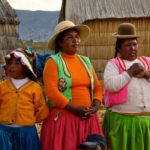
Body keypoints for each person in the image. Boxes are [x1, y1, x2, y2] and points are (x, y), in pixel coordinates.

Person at [40, 20, 104, 150]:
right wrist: (75, 109)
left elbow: (97, 87)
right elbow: (52, 92)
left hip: (88, 119)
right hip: (65, 120)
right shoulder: (53, 62)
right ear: (60, 42)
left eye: (77, 37)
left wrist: (96, 106)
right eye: (69, 37)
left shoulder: (85, 61)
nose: (75, 41)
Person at [103, 22, 150, 150]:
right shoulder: (114, 64)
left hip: (146, 123)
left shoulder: (146, 62)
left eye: (134, 44)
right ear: (119, 48)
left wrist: (146, 74)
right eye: (128, 45)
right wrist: (129, 72)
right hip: (123, 122)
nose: (132, 48)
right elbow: (111, 86)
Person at [0, 48, 49, 150]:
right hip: (4, 132)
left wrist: (27, 120)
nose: (12, 66)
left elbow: (42, 111)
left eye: (17, 63)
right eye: (10, 63)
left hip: (26, 133)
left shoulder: (34, 88)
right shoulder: (2, 86)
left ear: (25, 67)